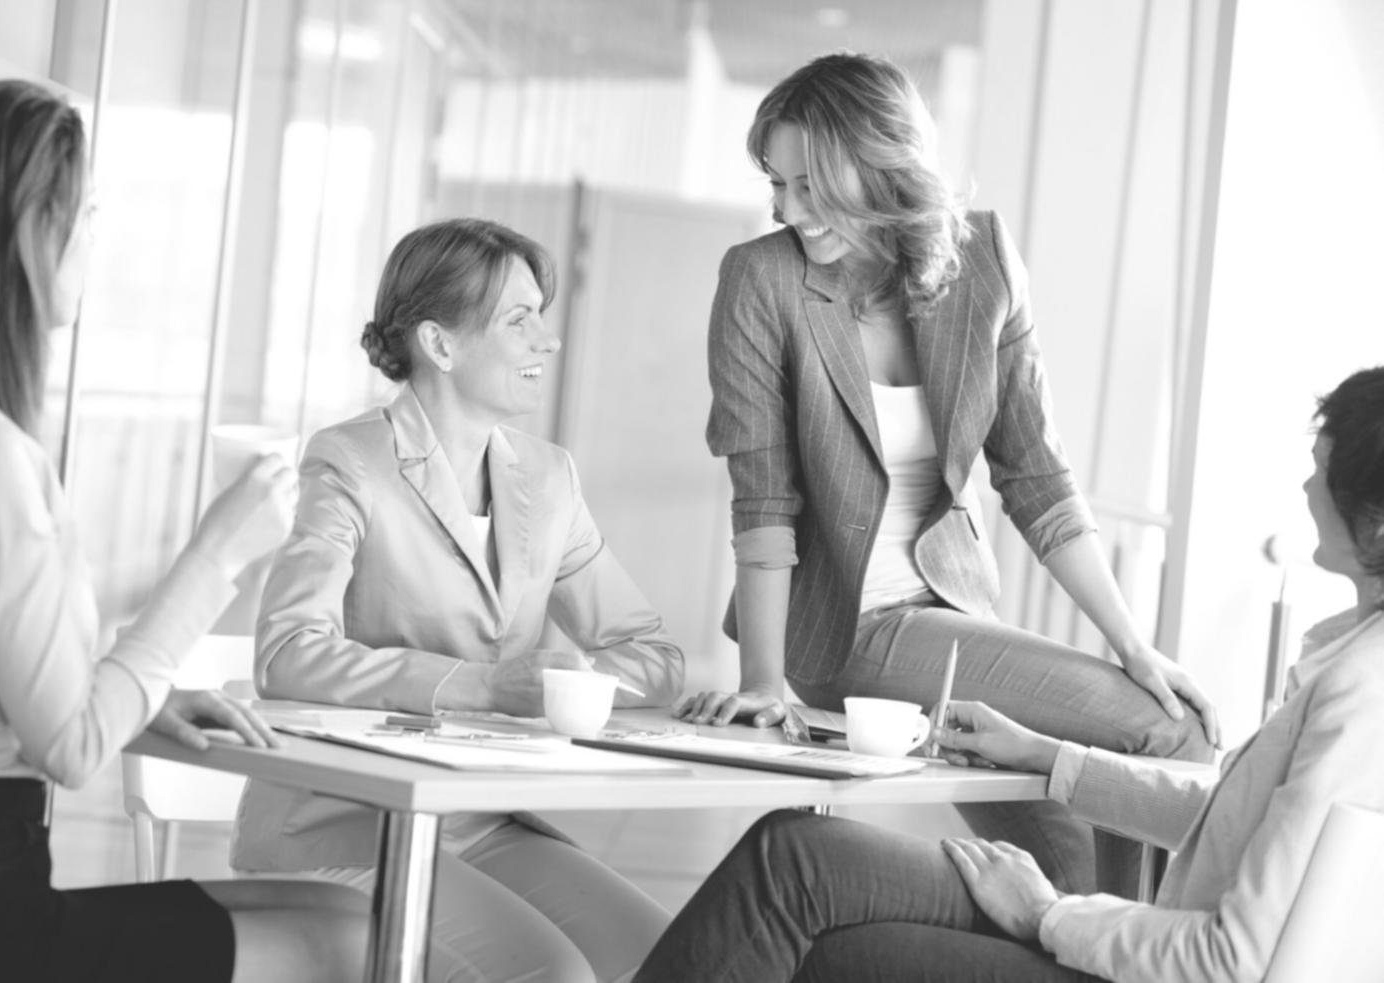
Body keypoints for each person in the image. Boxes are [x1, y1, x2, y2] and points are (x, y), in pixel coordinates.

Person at [637, 364, 1384, 983]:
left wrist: (1048, 913)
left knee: (800, 877)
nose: (1306, 489)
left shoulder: (1362, 695)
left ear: (1375, 525)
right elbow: (1230, 820)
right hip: (1135, 944)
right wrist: (1044, 754)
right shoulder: (1353, 657)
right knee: (799, 856)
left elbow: (1231, 961)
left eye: (1318, 472)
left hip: (1147, 963)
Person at [675, 51, 1215, 895]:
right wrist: (763, 681)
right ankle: (1141, 950)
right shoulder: (762, 279)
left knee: (1067, 863)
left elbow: (1035, 474)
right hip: (840, 629)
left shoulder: (984, 260)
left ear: (881, 166)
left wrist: (1132, 643)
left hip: (948, 610)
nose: (788, 209)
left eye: (811, 185)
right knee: (1163, 734)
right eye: (778, 184)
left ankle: (1110, 940)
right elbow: (765, 497)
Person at [0, 81, 367, 982]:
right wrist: (218, 552)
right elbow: (70, 745)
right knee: (348, 941)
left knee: (352, 912)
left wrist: (138, 695)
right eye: (84, 213)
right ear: (25, 231)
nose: (94, 238)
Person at [229, 217, 685, 983]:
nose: (547, 339)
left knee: (673, 958)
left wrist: (577, 683)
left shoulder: (549, 478)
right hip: (345, 822)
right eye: (519, 318)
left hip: (478, 818)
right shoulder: (349, 463)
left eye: (542, 314)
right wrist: (482, 685)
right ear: (439, 346)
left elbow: (655, 656)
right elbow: (287, 651)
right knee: (553, 974)